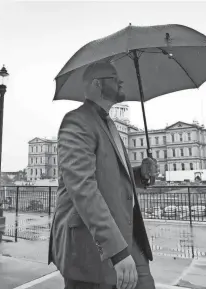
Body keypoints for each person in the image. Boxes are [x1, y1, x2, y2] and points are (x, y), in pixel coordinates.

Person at [48, 61, 158, 289]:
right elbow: (82, 187)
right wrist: (116, 250)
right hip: (93, 248)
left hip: (127, 238)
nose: (121, 82)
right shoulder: (77, 121)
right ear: (98, 84)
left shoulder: (109, 124)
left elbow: (111, 177)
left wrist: (139, 174)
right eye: (114, 77)